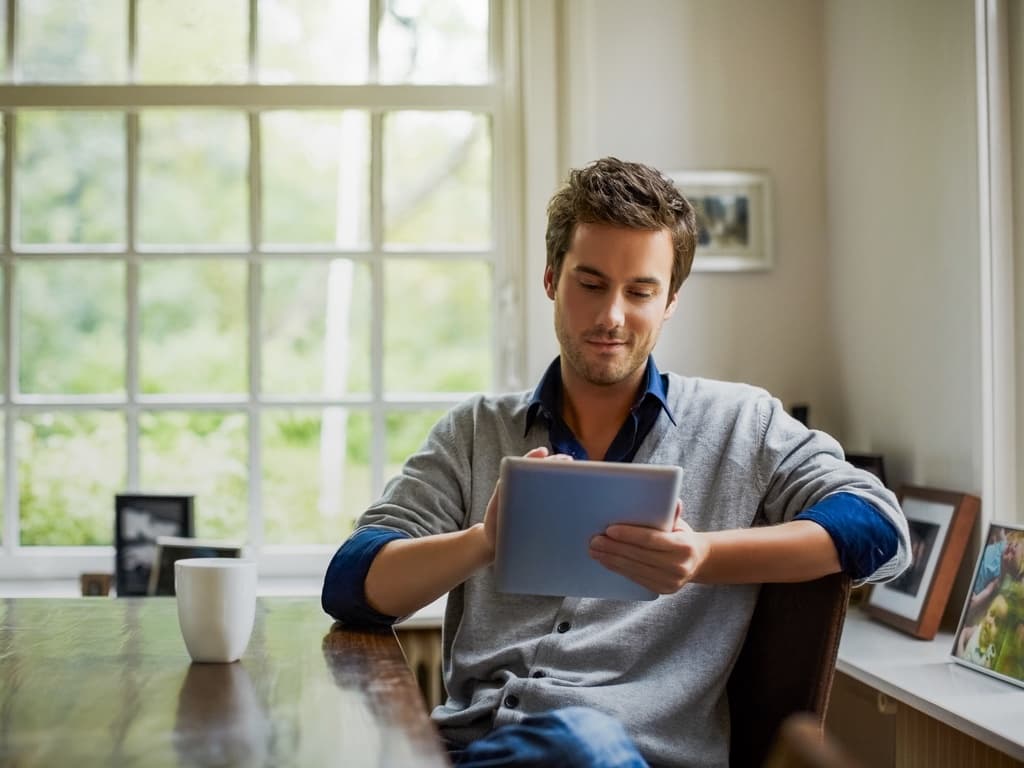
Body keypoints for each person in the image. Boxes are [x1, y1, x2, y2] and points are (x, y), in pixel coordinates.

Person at [322, 157, 911, 768]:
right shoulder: (476, 431)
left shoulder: (743, 424)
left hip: (629, 756)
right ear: (552, 279)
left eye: (640, 291)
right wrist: (484, 541)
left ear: (671, 301)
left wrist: (703, 557)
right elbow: (349, 583)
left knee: (579, 743)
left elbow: (878, 527)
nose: (611, 317)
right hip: (475, 752)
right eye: (591, 283)